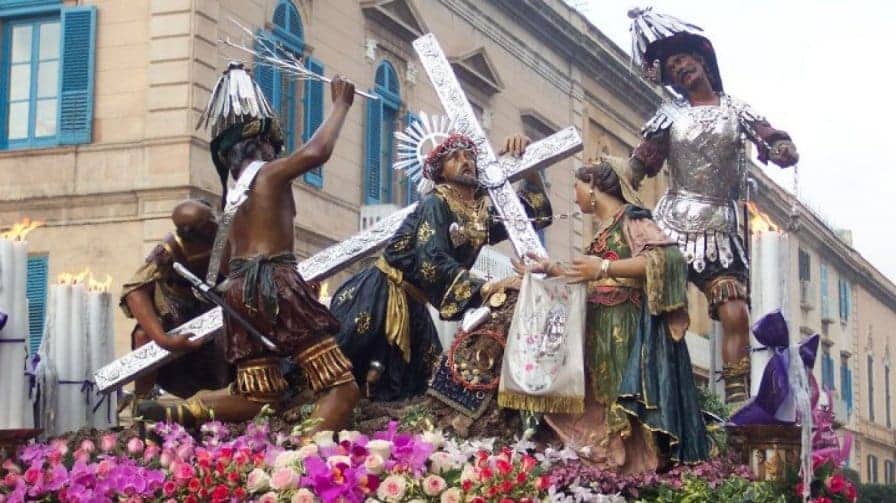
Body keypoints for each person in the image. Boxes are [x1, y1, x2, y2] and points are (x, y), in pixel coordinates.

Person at [138, 63, 359, 430]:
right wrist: (341, 105)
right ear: (263, 145)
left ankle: (184, 410)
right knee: (341, 386)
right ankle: (306, 451)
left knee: (258, 394)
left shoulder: (232, 202)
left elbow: (225, 264)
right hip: (275, 282)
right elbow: (318, 151)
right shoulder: (269, 174)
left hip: (239, 292)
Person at [626, 8, 799, 403]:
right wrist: (612, 174)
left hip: (720, 230)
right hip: (672, 224)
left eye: (683, 60)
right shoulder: (670, 116)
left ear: (701, 61)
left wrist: (781, 147)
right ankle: (648, 392)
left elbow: (769, 135)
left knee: (735, 311)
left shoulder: (736, 110)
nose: (680, 68)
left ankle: (738, 401)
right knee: (648, 308)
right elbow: (641, 162)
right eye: (672, 68)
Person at [517, 157, 708, 473]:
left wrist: (605, 267)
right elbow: (587, 273)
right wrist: (549, 268)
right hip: (597, 324)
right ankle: (606, 462)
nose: (575, 195)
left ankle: (633, 466)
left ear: (593, 185)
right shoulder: (604, 229)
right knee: (596, 398)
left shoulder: (632, 221)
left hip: (625, 325)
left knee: (621, 395)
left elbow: (666, 259)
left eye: (577, 186)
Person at [330, 133, 551, 401]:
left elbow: (530, 215)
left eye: (469, 156)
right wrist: (489, 287)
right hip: (379, 296)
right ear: (440, 172)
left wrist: (529, 165)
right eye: (454, 158)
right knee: (340, 364)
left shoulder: (477, 214)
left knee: (423, 385)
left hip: (414, 304)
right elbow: (432, 260)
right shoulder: (436, 203)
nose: (465, 161)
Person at [119, 199, 233, 412]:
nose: (214, 225)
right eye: (207, 224)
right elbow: (135, 290)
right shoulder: (169, 249)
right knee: (143, 336)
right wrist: (164, 340)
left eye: (213, 219)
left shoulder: (229, 237)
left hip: (222, 307)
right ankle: (142, 404)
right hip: (179, 312)